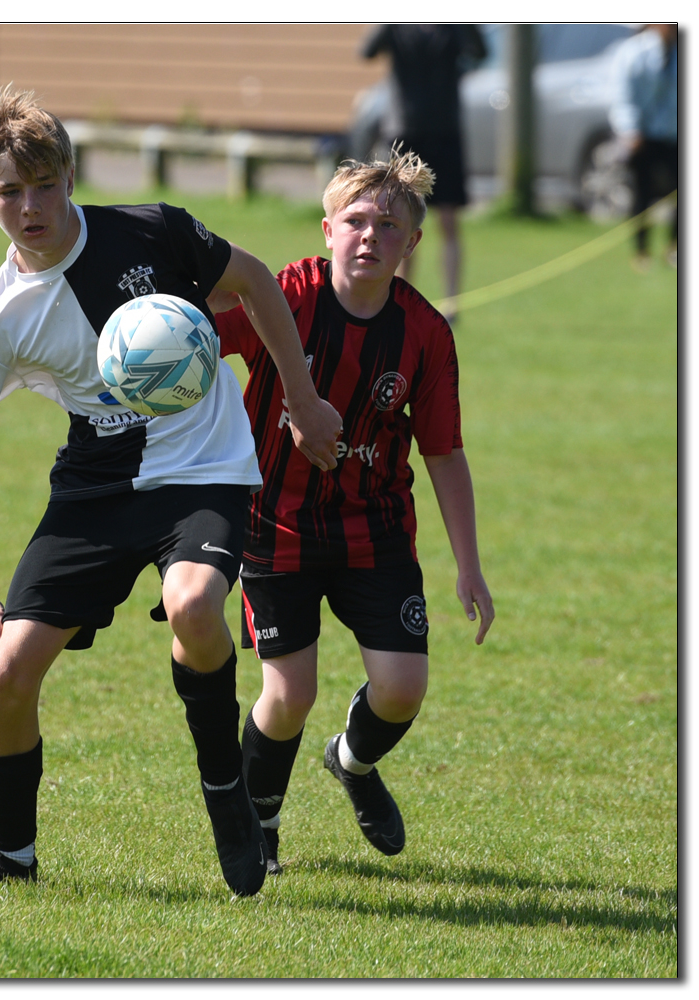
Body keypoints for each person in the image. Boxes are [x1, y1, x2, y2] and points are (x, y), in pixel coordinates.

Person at [0, 86, 342, 894]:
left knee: (194, 606)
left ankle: (224, 781)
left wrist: (301, 401)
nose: (30, 205)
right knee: (7, 672)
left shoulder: (152, 229)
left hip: (203, 468)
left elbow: (258, 284)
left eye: (44, 184)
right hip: (95, 487)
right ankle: (13, 858)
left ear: (71, 177)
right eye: (9, 191)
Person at [208, 149, 494, 874]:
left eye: (389, 225)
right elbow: (196, 343)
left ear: (413, 244)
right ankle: (261, 822)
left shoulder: (425, 334)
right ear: (328, 227)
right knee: (289, 691)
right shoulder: (285, 298)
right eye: (358, 221)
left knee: (403, 689)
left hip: (376, 527)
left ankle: (352, 762)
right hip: (276, 522)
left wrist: (470, 566)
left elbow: (444, 453)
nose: (371, 236)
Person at [361, 24, 487, 322]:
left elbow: (481, 52)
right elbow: (366, 52)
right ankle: (398, 296)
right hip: (404, 130)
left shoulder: (454, 26)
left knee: (448, 220)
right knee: (396, 219)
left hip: (445, 131)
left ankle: (452, 303)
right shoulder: (397, 25)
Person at [609, 24, 678, 270]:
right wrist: (630, 131)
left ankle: (675, 248)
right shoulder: (633, 52)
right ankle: (641, 251)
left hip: (675, 135)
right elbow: (623, 97)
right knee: (643, 194)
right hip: (643, 136)